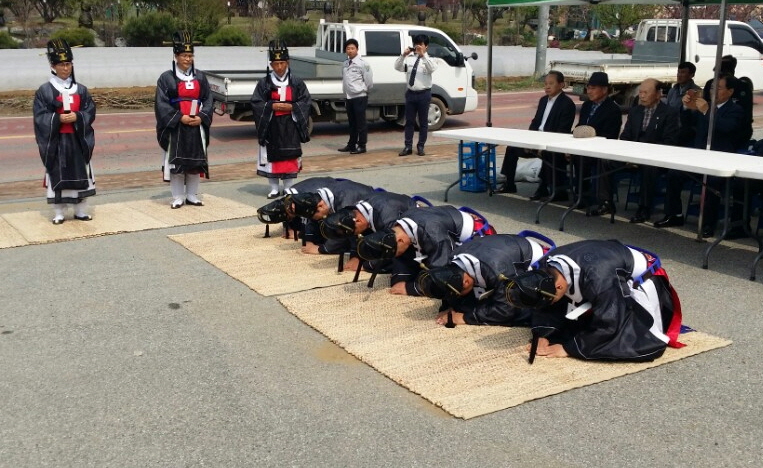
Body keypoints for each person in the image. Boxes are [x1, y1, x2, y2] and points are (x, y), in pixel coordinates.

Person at [506, 239, 684, 362]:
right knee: (561, 322)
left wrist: (569, 349)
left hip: (641, 281)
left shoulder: (597, 277)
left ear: (559, 287)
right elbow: (544, 306)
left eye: (550, 300)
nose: (549, 303)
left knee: (631, 340)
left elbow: (611, 322)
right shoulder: (547, 266)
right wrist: (542, 334)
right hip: (602, 268)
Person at [655, 75, 745, 238]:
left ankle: (708, 224)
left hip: (721, 159)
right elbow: (689, 124)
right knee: (674, 174)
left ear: (730, 91)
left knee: (711, 182)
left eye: (718, 88)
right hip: (699, 156)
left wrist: (707, 111)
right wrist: (686, 107)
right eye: (711, 88)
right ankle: (674, 214)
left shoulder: (735, 110)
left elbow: (726, 128)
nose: (713, 92)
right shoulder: (706, 106)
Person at [415, 232, 554, 327]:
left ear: (466, 282)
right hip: (505, 248)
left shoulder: (497, 271)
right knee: (475, 302)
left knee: (519, 310)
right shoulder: (454, 259)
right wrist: (450, 306)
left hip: (536, 263)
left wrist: (464, 317)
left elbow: (505, 310)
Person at [356, 205, 496, 296]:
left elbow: (443, 268)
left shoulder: (432, 234)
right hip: (441, 228)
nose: (394, 255)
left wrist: (413, 288)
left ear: (400, 241)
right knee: (399, 279)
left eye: (394, 252)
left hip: (479, 238)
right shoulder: (399, 226)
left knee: (442, 286)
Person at [33, 39, 96, 224]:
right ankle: (59, 211)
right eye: (61, 64)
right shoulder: (44, 91)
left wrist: (78, 116)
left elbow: (90, 111)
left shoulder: (81, 90)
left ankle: (81, 209)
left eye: (68, 64)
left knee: (81, 171)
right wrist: (57, 119)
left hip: (77, 138)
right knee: (58, 172)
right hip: (57, 140)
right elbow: (39, 116)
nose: (65, 68)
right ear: (53, 66)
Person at [155, 31, 213, 209]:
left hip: (196, 125)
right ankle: (178, 196)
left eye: (190, 55)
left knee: (195, 163)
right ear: (176, 56)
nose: (187, 59)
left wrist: (201, 117)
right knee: (177, 164)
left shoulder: (200, 77)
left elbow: (209, 99)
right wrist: (180, 117)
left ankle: (192, 195)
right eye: (184, 55)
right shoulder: (166, 78)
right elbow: (161, 103)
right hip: (177, 127)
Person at [498, 71, 576, 200]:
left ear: (561, 84)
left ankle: (544, 188)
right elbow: (535, 122)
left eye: (551, 84)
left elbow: (562, 131)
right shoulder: (543, 100)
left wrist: (542, 145)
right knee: (512, 148)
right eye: (545, 84)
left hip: (552, 143)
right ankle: (509, 183)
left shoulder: (567, 104)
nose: (547, 87)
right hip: (536, 139)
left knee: (548, 154)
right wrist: (528, 140)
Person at [251, 40, 312, 199]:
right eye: (276, 64)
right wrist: (271, 107)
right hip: (272, 125)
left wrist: (292, 108)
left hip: (290, 124)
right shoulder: (264, 83)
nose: (279, 67)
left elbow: (306, 101)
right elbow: (257, 103)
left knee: (290, 155)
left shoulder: (297, 82)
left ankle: (289, 187)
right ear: (271, 64)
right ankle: (273, 187)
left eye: (282, 63)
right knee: (272, 155)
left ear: (288, 63)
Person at [618, 78, 679, 224]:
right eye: (640, 92)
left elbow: (669, 142)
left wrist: (643, 156)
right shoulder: (635, 111)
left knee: (649, 168)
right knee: (605, 160)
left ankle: (644, 208)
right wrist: (628, 155)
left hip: (655, 157)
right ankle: (604, 201)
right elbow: (625, 136)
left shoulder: (669, 113)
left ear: (658, 94)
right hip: (632, 155)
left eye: (646, 92)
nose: (642, 96)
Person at [575, 72, 622, 215]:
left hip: (601, 149)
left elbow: (610, 135)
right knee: (574, 156)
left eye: (593, 88)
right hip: (583, 147)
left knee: (601, 162)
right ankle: (580, 195)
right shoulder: (587, 105)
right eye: (588, 88)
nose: (589, 91)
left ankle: (604, 201)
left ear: (604, 90)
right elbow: (580, 126)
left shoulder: (612, 109)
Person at [395, 34, 438, 157]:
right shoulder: (409, 59)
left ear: (426, 47)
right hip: (411, 93)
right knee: (409, 121)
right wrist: (403, 55)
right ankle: (408, 146)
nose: (418, 46)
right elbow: (397, 67)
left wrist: (423, 55)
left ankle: (421, 146)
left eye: (421, 44)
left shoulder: (430, 59)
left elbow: (432, 68)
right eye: (416, 44)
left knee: (423, 122)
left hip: (424, 94)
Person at [338, 38, 373, 155]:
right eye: (348, 49)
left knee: (360, 122)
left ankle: (362, 145)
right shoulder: (345, 63)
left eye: (352, 48)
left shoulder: (363, 64)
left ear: (357, 49)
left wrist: (363, 90)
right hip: (349, 97)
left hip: (359, 96)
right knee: (352, 122)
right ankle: (351, 144)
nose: (350, 51)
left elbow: (368, 81)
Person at [665, 62, 702, 148]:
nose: (679, 75)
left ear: (691, 75)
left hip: (686, 132)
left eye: (683, 72)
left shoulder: (696, 92)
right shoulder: (673, 90)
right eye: (678, 72)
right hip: (671, 129)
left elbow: (694, 116)